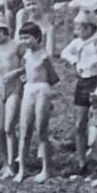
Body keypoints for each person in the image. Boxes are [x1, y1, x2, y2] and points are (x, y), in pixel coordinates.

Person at [15, 21, 59, 183]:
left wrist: (43, 85)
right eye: (22, 38)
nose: (25, 41)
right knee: (25, 131)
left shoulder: (43, 55)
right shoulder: (25, 55)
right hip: (29, 90)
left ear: (37, 37)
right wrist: (24, 78)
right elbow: (25, 72)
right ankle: (21, 169)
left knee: (41, 129)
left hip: (42, 90)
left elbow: (54, 78)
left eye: (28, 38)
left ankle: (46, 169)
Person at [60, 11, 97, 175]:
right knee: (79, 124)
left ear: (91, 28)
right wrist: (75, 61)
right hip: (83, 82)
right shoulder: (77, 43)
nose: (81, 30)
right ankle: (81, 161)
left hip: (96, 81)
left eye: (84, 27)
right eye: (79, 27)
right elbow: (64, 53)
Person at [0, 14, 25, 179]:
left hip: (14, 86)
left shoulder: (16, 46)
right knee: (0, 128)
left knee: (10, 127)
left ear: (5, 30)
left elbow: (27, 64)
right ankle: (5, 162)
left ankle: (12, 162)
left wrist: (16, 73)